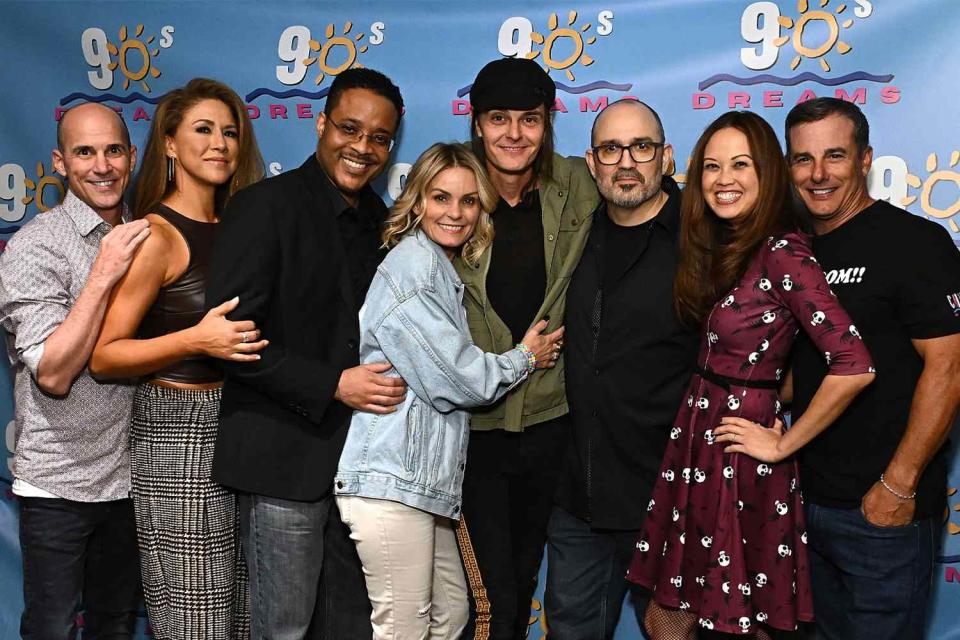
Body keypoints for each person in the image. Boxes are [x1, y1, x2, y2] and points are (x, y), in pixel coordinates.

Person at [626, 111, 876, 638]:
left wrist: (782, 442)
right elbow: (770, 352)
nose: (724, 179)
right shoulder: (726, 245)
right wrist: (766, 387)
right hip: (699, 439)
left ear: (767, 172)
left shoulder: (783, 251)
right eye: (712, 166)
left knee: (737, 621)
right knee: (669, 615)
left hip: (739, 457)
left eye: (740, 164)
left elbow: (853, 363)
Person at [206, 67, 406, 639]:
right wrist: (332, 385)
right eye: (350, 128)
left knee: (350, 629)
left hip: (363, 469)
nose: (362, 147)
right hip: (283, 463)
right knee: (284, 630)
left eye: (379, 138)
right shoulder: (263, 207)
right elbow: (231, 338)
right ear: (320, 124)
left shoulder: (385, 222)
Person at [334, 143, 564, 640]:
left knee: (453, 614)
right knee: (404, 629)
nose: (455, 213)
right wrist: (525, 356)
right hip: (390, 482)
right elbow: (457, 380)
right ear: (417, 202)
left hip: (424, 487)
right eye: (441, 198)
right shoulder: (413, 269)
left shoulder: (439, 266)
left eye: (468, 201)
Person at [88, 78, 266, 639]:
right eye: (204, 129)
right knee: (194, 618)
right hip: (176, 434)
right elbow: (104, 356)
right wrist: (194, 340)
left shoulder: (238, 226)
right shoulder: (156, 236)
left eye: (230, 132)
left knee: (238, 616)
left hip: (239, 423)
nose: (220, 143)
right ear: (168, 144)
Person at [784, 98, 960, 640]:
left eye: (834, 156)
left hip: (880, 512)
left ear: (865, 160)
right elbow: (800, 371)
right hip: (803, 503)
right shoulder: (794, 249)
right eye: (802, 159)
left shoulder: (914, 243)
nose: (818, 174)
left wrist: (899, 485)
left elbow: (949, 368)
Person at [455, 56, 600, 640]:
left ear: (547, 123)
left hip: (548, 426)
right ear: (477, 123)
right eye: (499, 119)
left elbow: (642, 193)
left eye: (529, 119)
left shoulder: (577, 185)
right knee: (483, 597)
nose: (514, 134)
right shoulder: (449, 192)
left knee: (519, 579)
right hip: (470, 431)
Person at [545, 99, 699, 638]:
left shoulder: (703, 243)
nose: (626, 162)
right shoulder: (572, 240)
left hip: (673, 496)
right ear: (592, 162)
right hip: (580, 497)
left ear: (667, 157)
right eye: (611, 148)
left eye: (642, 147)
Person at [0, 102, 148, 638]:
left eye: (113, 150)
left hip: (133, 479)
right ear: (60, 162)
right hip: (58, 484)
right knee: (53, 626)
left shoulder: (152, 235)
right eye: (85, 152)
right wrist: (104, 272)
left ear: (132, 157)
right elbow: (55, 374)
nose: (101, 166)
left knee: (114, 623)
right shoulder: (34, 246)